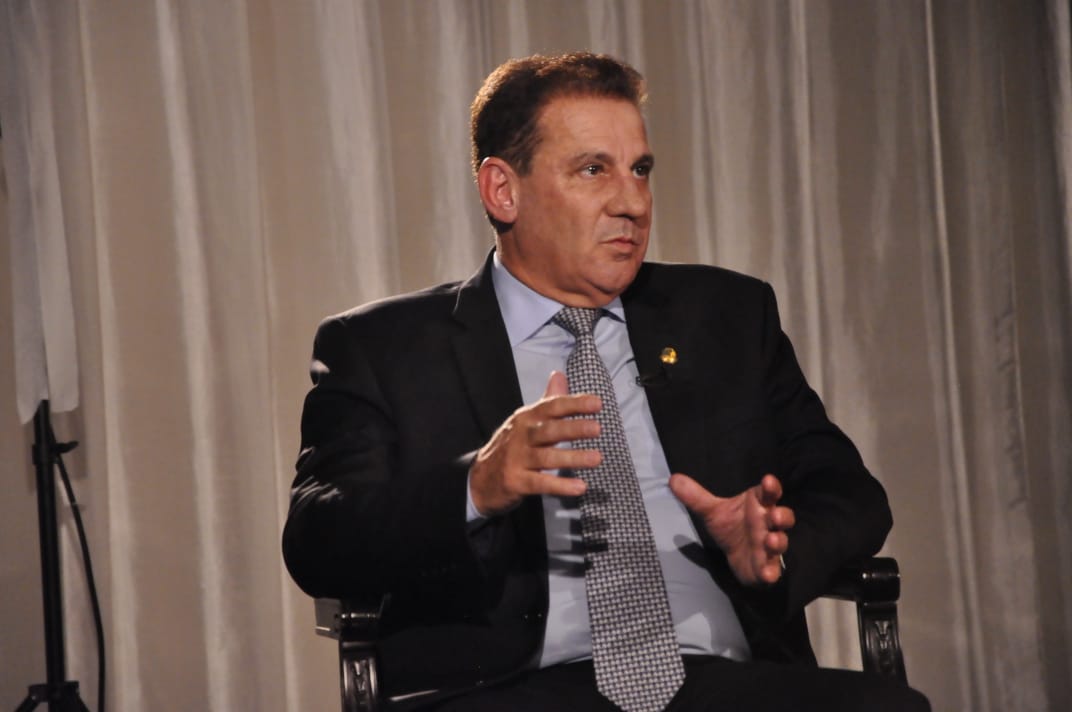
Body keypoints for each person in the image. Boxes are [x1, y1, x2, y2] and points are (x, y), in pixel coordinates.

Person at [282, 52, 930, 711]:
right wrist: (476, 486)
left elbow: (852, 494)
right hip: (508, 689)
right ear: (503, 190)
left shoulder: (726, 317)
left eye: (640, 170)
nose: (632, 203)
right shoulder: (384, 348)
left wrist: (772, 548)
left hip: (721, 680)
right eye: (593, 170)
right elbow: (318, 539)